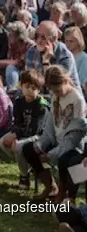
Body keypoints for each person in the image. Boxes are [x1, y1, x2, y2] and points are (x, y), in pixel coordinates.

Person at [21, 66, 87, 201]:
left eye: (58, 89)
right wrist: (40, 145)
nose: (56, 92)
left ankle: (67, 194)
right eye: (53, 90)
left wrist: (51, 154)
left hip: (72, 147)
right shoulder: (55, 96)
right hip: (57, 141)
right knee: (28, 149)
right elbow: (50, 127)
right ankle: (50, 186)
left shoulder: (77, 100)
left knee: (66, 161)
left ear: (65, 81)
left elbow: (73, 137)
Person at [0, 70, 48, 190]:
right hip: (22, 132)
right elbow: (17, 122)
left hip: (38, 136)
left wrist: (17, 136)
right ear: (21, 85)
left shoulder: (41, 105)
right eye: (27, 86)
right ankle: (26, 165)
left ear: (39, 90)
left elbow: (35, 130)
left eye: (34, 88)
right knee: (2, 142)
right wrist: (14, 133)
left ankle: (24, 176)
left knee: (19, 147)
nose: (30, 90)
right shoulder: (19, 101)